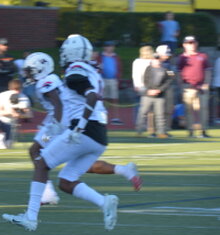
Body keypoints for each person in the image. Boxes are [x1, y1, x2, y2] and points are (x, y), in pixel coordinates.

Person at [2, 34, 120, 232]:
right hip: (98, 135)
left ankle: (31, 216)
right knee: (66, 181)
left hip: (78, 130)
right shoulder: (91, 70)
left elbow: (87, 97)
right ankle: (103, 202)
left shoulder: (74, 70)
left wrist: (77, 126)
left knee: (41, 161)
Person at [20, 51, 142, 207]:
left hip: (59, 124)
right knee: (78, 164)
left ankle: (47, 193)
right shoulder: (50, 80)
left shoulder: (46, 81)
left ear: (39, 69)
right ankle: (123, 170)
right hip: (62, 122)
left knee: (36, 150)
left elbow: (58, 105)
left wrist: (54, 127)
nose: (27, 74)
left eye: (29, 70)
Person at [136, 45, 175, 138]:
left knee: (163, 112)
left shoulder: (167, 65)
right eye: (165, 54)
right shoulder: (149, 64)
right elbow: (145, 78)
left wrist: (160, 89)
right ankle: (149, 130)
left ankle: (163, 131)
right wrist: (148, 90)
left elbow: (171, 77)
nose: (167, 56)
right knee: (147, 112)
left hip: (162, 92)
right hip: (149, 92)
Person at [177, 35, 211, 138]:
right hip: (188, 87)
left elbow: (208, 71)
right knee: (188, 110)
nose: (191, 45)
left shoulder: (203, 56)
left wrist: (206, 84)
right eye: (189, 43)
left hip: (201, 87)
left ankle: (203, 131)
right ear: (184, 45)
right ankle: (190, 131)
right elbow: (178, 73)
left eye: (192, 43)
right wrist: (181, 86)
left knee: (203, 110)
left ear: (196, 43)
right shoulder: (182, 57)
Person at [0, 79, 31, 150]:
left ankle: (3, 138)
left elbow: (28, 114)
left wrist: (20, 115)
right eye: (14, 89)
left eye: (18, 89)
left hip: (11, 123)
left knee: (7, 146)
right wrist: (10, 112)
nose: (16, 91)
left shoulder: (24, 98)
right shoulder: (3, 95)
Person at [0, 37, 16, 106]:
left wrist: (5, 68)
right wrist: (9, 69)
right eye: (3, 45)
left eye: (6, 45)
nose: (6, 46)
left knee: (9, 104)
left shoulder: (10, 56)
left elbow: (14, 69)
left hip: (9, 85)